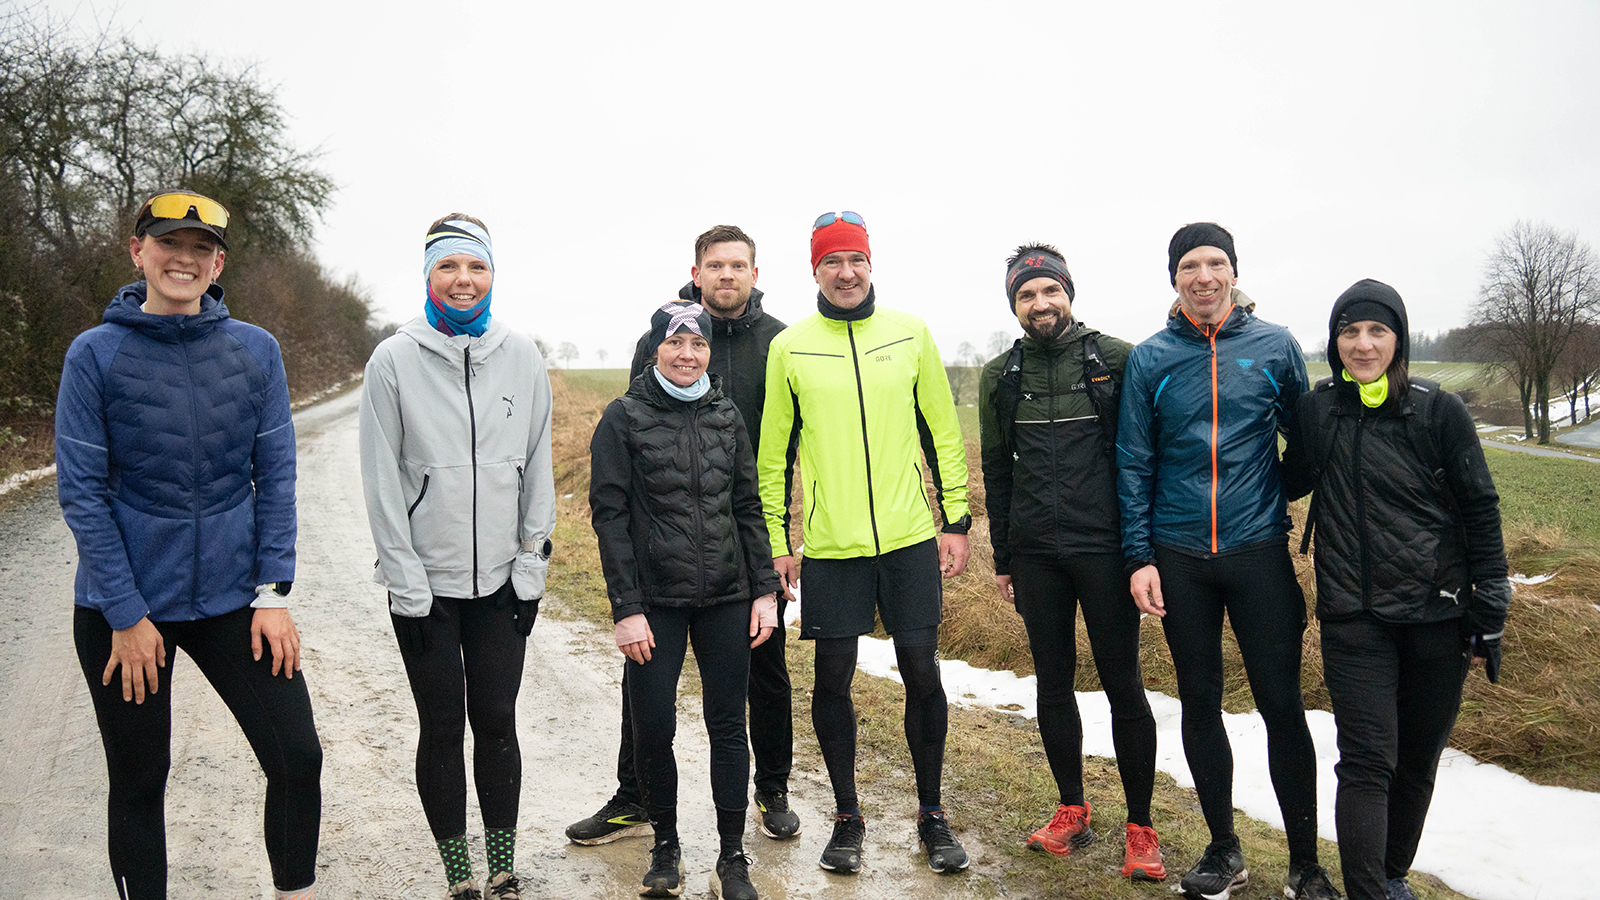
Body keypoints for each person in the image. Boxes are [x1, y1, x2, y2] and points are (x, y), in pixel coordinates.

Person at [57, 191, 323, 900]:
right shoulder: (95, 354)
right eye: (169, 243)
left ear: (218, 264)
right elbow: (82, 493)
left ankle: (293, 892)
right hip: (125, 608)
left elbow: (277, 475)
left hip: (233, 598)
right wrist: (124, 614)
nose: (184, 258)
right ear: (138, 251)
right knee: (141, 779)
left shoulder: (255, 350)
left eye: (200, 248)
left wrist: (272, 594)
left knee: (297, 759)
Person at [1117, 223, 1339, 900]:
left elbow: (1304, 440)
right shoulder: (1151, 358)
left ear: (1234, 273)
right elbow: (1133, 460)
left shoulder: (1274, 346)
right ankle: (1223, 848)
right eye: (1190, 265)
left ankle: (1305, 863)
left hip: (1258, 551)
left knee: (1281, 705)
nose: (1204, 276)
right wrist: (1139, 556)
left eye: (1217, 263)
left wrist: (1277, 492)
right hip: (1178, 556)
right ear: (1175, 279)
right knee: (1199, 701)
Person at [567, 225, 801, 847]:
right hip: (667, 546)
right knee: (646, 685)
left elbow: (788, 441)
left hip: (745, 539)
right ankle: (634, 796)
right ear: (697, 272)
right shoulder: (664, 332)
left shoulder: (779, 342)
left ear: (755, 274)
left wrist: (778, 541)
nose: (727, 275)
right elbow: (637, 438)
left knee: (764, 668)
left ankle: (772, 788)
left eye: (738, 266)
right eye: (715, 265)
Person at [758, 211, 972, 876]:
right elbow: (773, 457)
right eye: (832, 262)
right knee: (831, 678)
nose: (845, 272)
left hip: (909, 537)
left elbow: (942, 430)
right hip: (831, 545)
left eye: (855, 260)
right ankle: (847, 817)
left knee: (920, 669)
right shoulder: (791, 346)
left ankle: (932, 815)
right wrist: (778, 542)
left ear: (870, 265)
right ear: (815, 271)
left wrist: (956, 520)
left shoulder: (910, 334)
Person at [1282, 280, 1509, 900]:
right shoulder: (1319, 409)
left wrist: (1490, 611)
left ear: (1398, 340)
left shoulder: (1439, 411)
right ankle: (1368, 893)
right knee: (1365, 762)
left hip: (1438, 615)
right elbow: (1287, 481)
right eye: (1350, 332)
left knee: (1416, 760)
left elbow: (1481, 509)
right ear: (1334, 342)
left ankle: (1390, 874)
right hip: (1353, 615)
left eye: (1377, 331)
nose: (1362, 344)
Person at [359, 214, 555, 900]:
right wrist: (407, 585)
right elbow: (382, 481)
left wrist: (532, 565)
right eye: (448, 267)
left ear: (492, 274)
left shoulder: (522, 355)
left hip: (502, 583)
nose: (463, 280)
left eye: (475, 267)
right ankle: (459, 872)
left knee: (496, 721)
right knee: (441, 726)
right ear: (427, 276)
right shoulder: (393, 359)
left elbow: (537, 467)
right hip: (427, 590)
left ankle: (501, 863)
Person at [977, 244, 1164, 880]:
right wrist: (1003, 557)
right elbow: (997, 472)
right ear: (1015, 305)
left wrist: (1142, 551)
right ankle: (1072, 810)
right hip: (1036, 556)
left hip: (1105, 552)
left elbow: (1142, 460)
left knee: (1122, 683)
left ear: (1068, 292)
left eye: (1049, 291)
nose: (1040, 304)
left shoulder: (1116, 359)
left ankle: (1141, 826)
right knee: (1052, 685)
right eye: (1026, 296)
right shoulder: (1000, 374)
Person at [590, 300, 781, 900]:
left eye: (697, 344)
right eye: (675, 344)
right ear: (655, 351)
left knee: (729, 727)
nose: (687, 354)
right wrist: (626, 608)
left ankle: (732, 857)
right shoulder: (621, 418)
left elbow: (748, 509)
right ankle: (665, 845)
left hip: (726, 596)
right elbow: (610, 518)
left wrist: (764, 592)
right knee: (654, 726)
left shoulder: (726, 414)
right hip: (654, 603)